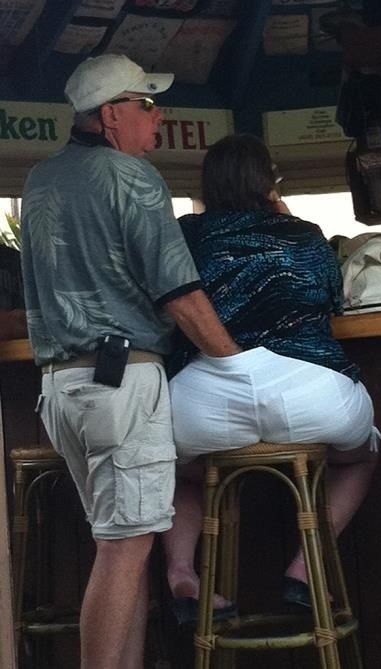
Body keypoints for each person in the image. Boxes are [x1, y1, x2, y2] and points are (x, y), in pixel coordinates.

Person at [20, 54, 240, 669]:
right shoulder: (132, 177)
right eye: (147, 104)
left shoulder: (39, 179)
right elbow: (180, 295)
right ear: (112, 114)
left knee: (124, 549)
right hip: (121, 385)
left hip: (59, 389)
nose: (158, 115)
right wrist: (240, 366)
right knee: (124, 552)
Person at [163, 133, 380, 620]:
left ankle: (183, 573)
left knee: (174, 469)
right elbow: (335, 299)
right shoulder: (304, 234)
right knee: (361, 455)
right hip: (310, 394)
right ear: (268, 182)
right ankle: (304, 570)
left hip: (203, 401)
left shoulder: (185, 234)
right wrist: (284, 217)